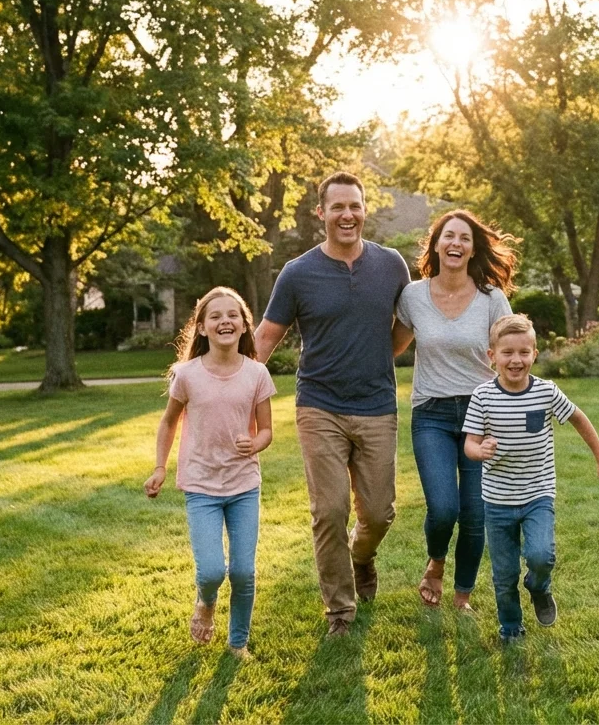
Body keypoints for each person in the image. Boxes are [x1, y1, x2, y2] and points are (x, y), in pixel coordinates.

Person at [254, 171, 410, 636]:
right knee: (330, 510)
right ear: (320, 213)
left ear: (365, 210)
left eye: (355, 206)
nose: (347, 215)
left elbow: (405, 329)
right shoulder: (298, 273)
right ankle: (340, 611)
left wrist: (377, 355)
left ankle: (362, 558)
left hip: (377, 405)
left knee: (379, 512)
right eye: (337, 207)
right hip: (318, 405)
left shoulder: (392, 266)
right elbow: (265, 337)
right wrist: (236, 392)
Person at [463, 314, 599, 642]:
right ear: (492, 356)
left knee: (540, 555)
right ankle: (510, 628)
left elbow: (578, 418)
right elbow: (469, 445)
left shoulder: (546, 392)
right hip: (498, 500)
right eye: (507, 353)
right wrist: (481, 450)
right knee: (503, 574)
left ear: (535, 353)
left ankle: (539, 586)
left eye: (523, 352)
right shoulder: (482, 396)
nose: (515, 360)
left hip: (537, 495)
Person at [392, 211, 518, 611]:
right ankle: (436, 562)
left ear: (473, 248)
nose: (456, 244)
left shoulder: (491, 299)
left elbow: (510, 352)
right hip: (431, 412)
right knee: (444, 507)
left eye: (464, 238)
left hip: (482, 415)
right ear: (436, 244)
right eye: (449, 236)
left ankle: (462, 593)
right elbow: (391, 347)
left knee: (476, 513)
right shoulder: (413, 296)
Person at [144, 287, 276, 659]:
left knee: (244, 571)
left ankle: (238, 643)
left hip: (243, 485)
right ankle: (205, 600)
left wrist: (256, 443)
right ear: (201, 328)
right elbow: (169, 422)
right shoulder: (187, 375)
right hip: (201, 486)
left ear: (244, 325)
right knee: (212, 572)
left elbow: (266, 429)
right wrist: (159, 468)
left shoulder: (257, 374)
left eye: (232, 315)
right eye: (215, 316)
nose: (225, 321)